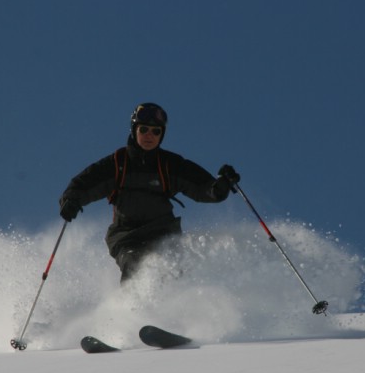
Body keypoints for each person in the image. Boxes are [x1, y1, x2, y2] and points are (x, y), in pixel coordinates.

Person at [59, 102, 240, 282]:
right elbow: (83, 184)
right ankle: (131, 308)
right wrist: (70, 201)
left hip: (163, 232)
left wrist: (221, 185)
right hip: (126, 236)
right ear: (134, 130)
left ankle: (177, 306)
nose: (149, 135)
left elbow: (204, 188)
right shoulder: (117, 164)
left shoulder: (170, 164)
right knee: (134, 265)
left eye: (156, 131)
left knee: (172, 266)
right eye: (144, 129)